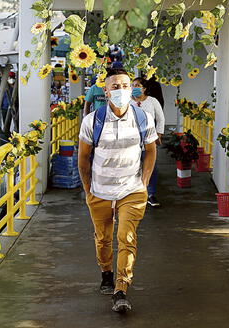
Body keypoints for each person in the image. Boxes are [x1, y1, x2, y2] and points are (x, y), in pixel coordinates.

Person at [77, 68, 158, 313]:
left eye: (125, 85)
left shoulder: (143, 118)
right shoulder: (93, 120)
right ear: (106, 91)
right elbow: (83, 158)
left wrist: (143, 182)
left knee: (127, 237)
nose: (121, 90)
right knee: (103, 238)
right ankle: (106, 272)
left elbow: (151, 151)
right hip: (100, 191)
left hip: (131, 191)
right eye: (115, 86)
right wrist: (88, 189)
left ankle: (121, 288)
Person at [132, 78, 165, 207]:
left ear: (144, 88)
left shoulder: (152, 101)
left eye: (137, 85)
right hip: (132, 139)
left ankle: (150, 194)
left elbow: (160, 118)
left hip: (149, 139)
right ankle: (135, 194)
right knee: (133, 166)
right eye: (132, 85)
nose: (134, 87)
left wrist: (159, 134)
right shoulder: (128, 102)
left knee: (151, 166)